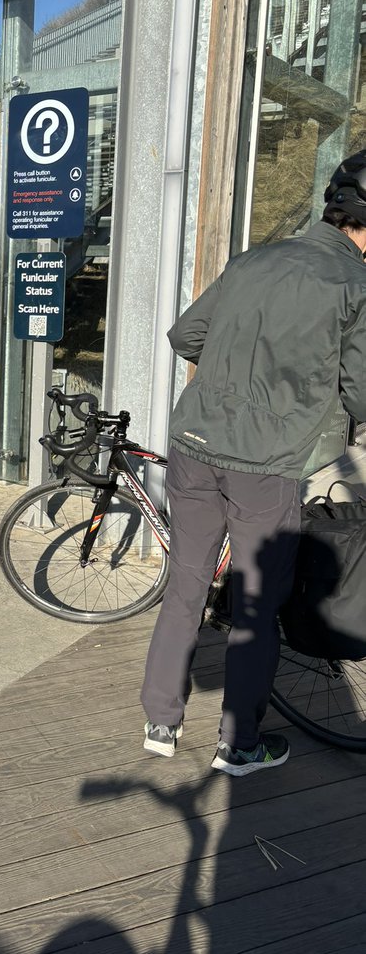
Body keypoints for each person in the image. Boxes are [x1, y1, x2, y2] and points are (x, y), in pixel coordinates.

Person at [141, 151, 366, 775]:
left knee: (185, 584)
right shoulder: (354, 284)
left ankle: (160, 721)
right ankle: (238, 745)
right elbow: (363, 390)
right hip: (268, 460)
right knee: (255, 602)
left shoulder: (255, 258)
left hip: (195, 443)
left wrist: (235, 373)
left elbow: (186, 336)